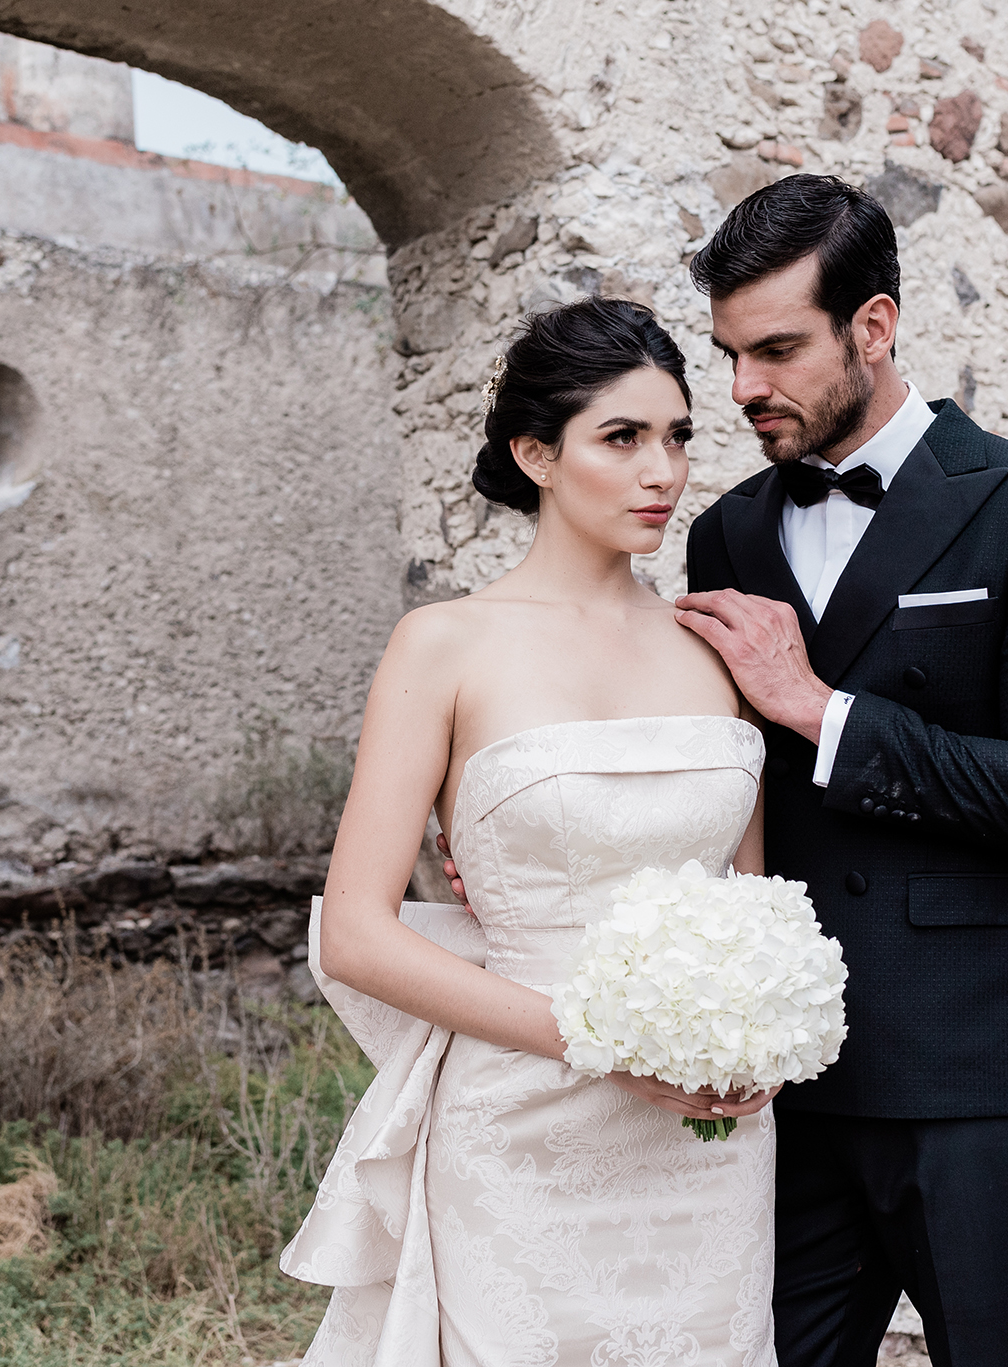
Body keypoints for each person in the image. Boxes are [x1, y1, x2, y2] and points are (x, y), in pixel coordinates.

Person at [674, 175, 1008, 1366]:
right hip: (789, 1083)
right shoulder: (723, 531)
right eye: (726, 354)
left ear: (872, 327)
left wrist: (822, 709)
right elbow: (713, 769)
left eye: (774, 350)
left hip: (979, 1078)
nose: (741, 390)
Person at [280, 297, 782, 1366]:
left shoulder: (712, 642)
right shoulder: (444, 643)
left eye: (679, 435)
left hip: (706, 1140)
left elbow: (758, 903)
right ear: (534, 454)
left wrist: (763, 1040)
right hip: (521, 1122)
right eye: (622, 437)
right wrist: (605, 1042)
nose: (664, 472)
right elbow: (355, 935)